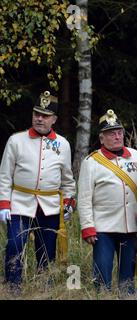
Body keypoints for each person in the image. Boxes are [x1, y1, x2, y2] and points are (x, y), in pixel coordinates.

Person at [0, 90, 76, 292]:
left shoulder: (63, 144)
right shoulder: (16, 141)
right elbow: (5, 176)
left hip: (49, 206)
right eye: (36, 114)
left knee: (47, 252)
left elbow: (68, 180)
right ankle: (12, 287)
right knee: (15, 245)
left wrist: (68, 203)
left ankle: (44, 289)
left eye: (45, 115)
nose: (39, 119)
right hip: (20, 203)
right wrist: (4, 204)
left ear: (54, 119)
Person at [77, 109, 137, 295]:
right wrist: (87, 226)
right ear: (102, 138)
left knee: (127, 281)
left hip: (130, 228)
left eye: (119, 132)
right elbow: (84, 198)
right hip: (103, 229)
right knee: (102, 279)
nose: (117, 136)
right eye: (111, 133)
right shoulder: (91, 162)